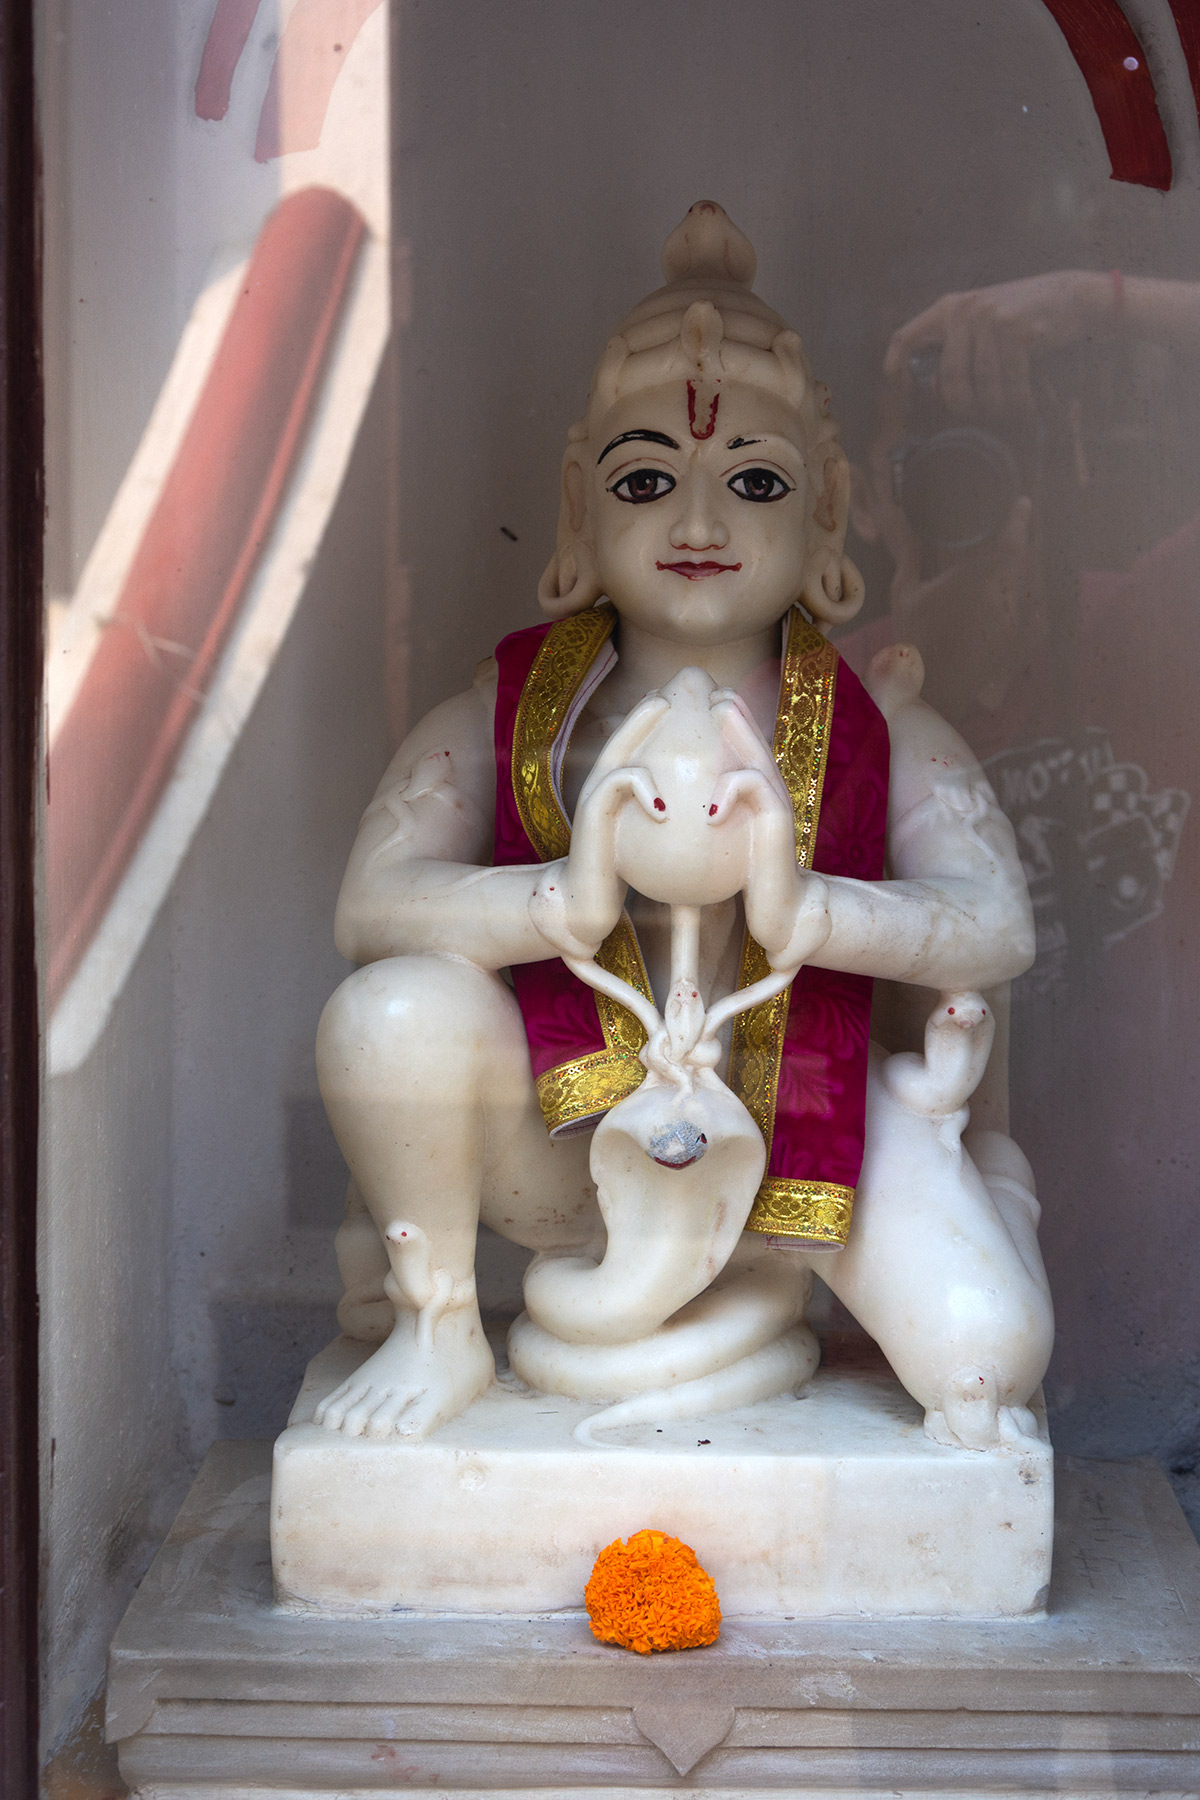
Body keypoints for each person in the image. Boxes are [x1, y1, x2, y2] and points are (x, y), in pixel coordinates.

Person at [312, 203, 1052, 1446]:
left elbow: (996, 925)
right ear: (578, 505)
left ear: (827, 511)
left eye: (754, 482)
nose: (699, 526)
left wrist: (809, 912)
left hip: (809, 1132)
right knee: (390, 1011)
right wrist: (563, 899)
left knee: (988, 1357)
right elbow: (371, 906)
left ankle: (963, 1217)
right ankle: (435, 1324)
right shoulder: (510, 713)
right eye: (645, 480)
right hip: (565, 1130)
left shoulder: (877, 724)